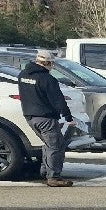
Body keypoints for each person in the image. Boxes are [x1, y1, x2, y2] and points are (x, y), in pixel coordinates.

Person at [18, 49, 74, 188]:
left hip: (30, 116)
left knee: (48, 144)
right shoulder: (48, 79)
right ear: (47, 63)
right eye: (52, 64)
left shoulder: (23, 75)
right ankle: (53, 177)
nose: (52, 67)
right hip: (45, 118)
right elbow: (58, 100)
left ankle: (45, 171)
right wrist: (68, 117)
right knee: (56, 146)